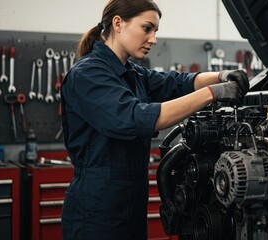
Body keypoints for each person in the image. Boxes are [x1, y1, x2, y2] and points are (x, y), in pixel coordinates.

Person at [59, 0, 249, 239]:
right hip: (96, 213)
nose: (153, 39)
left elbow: (176, 83)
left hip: (130, 208)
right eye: (147, 28)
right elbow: (135, 117)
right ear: (118, 23)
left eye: (155, 31)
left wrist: (220, 76)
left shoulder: (130, 73)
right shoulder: (88, 74)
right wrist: (214, 93)